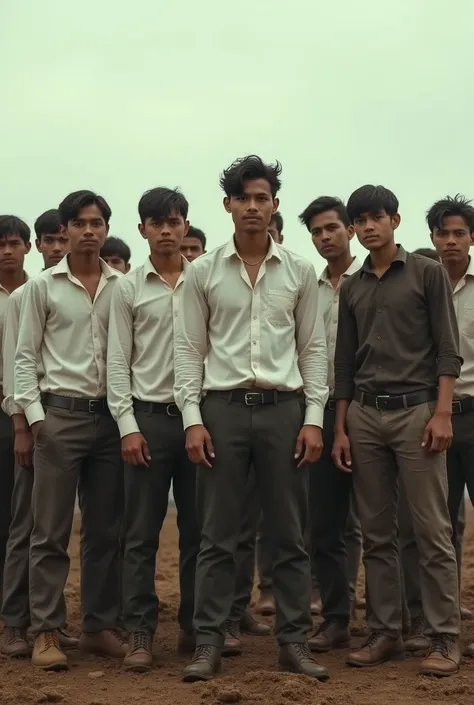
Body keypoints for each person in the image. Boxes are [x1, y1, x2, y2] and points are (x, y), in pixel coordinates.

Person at [174, 155, 329, 682]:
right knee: (217, 535)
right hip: (222, 412)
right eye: (244, 198)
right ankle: (208, 643)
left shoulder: (300, 270)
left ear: (275, 205)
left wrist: (314, 419)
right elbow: (189, 351)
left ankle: (294, 642)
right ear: (228, 206)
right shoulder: (201, 271)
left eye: (263, 198)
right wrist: (193, 419)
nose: (253, 207)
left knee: (288, 534)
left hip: (285, 411)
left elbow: (312, 351)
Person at [333, 184, 461, 677]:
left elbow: (448, 350)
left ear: (395, 221)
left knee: (431, 530)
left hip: (418, 413)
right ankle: (386, 633)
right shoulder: (353, 285)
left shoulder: (427, 273)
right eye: (360, 220)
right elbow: (344, 361)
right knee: (376, 533)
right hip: (364, 415)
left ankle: (443, 636)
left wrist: (443, 412)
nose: (368, 227)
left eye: (376, 218)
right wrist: (341, 427)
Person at [14, 190, 125, 671]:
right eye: (78, 224)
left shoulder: (124, 286)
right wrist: (36, 419)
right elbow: (24, 357)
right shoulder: (42, 288)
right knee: (49, 532)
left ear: (105, 229)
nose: (88, 231)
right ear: (64, 232)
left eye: (96, 222)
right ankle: (46, 631)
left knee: (105, 531)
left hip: (112, 419)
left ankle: (99, 627)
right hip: (59, 417)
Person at [107, 187, 201, 672]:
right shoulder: (126, 288)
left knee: (199, 530)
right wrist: (126, 425)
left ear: (186, 226)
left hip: (200, 424)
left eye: (174, 221)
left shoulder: (203, 279)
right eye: (156, 222)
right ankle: (141, 632)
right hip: (146, 420)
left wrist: (201, 422)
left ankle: (193, 626)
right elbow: (118, 362)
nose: (166, 230)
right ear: (142, 228)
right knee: (140, 534)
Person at [1, 209, 75, 657]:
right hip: (25, 415)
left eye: (16, 242)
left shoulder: (48, 292)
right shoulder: (27, 297)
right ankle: (14, 621)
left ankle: (42, 620)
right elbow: (17, 364)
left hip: (44, 414)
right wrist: (21, 423)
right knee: (24, 525)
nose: (55, 247)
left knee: (41, 524)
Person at [298, 195, 362, 653]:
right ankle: (336, 619)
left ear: (351, 230)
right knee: (324, 526)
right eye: (317, 232)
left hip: (375, 408)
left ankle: (396, 622)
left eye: (332, 229)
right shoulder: (307, 285)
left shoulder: (375, 278)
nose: (325, 238)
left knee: (387, 527)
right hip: (320, 411)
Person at [428, 194, 474, 658]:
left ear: (472, 237)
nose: (451, 241)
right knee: (441, 526)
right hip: (434, 418)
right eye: (443, 233)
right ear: (432, 239)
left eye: (459, 233)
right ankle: (442, 622)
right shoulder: (421, 283)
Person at [0, 215, 31, 612]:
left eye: (13, 243)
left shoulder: (38, 292)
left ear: (28, 247)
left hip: (23, 412)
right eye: (0, 244)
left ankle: (20, 608)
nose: (7, 251)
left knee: (23, 515)